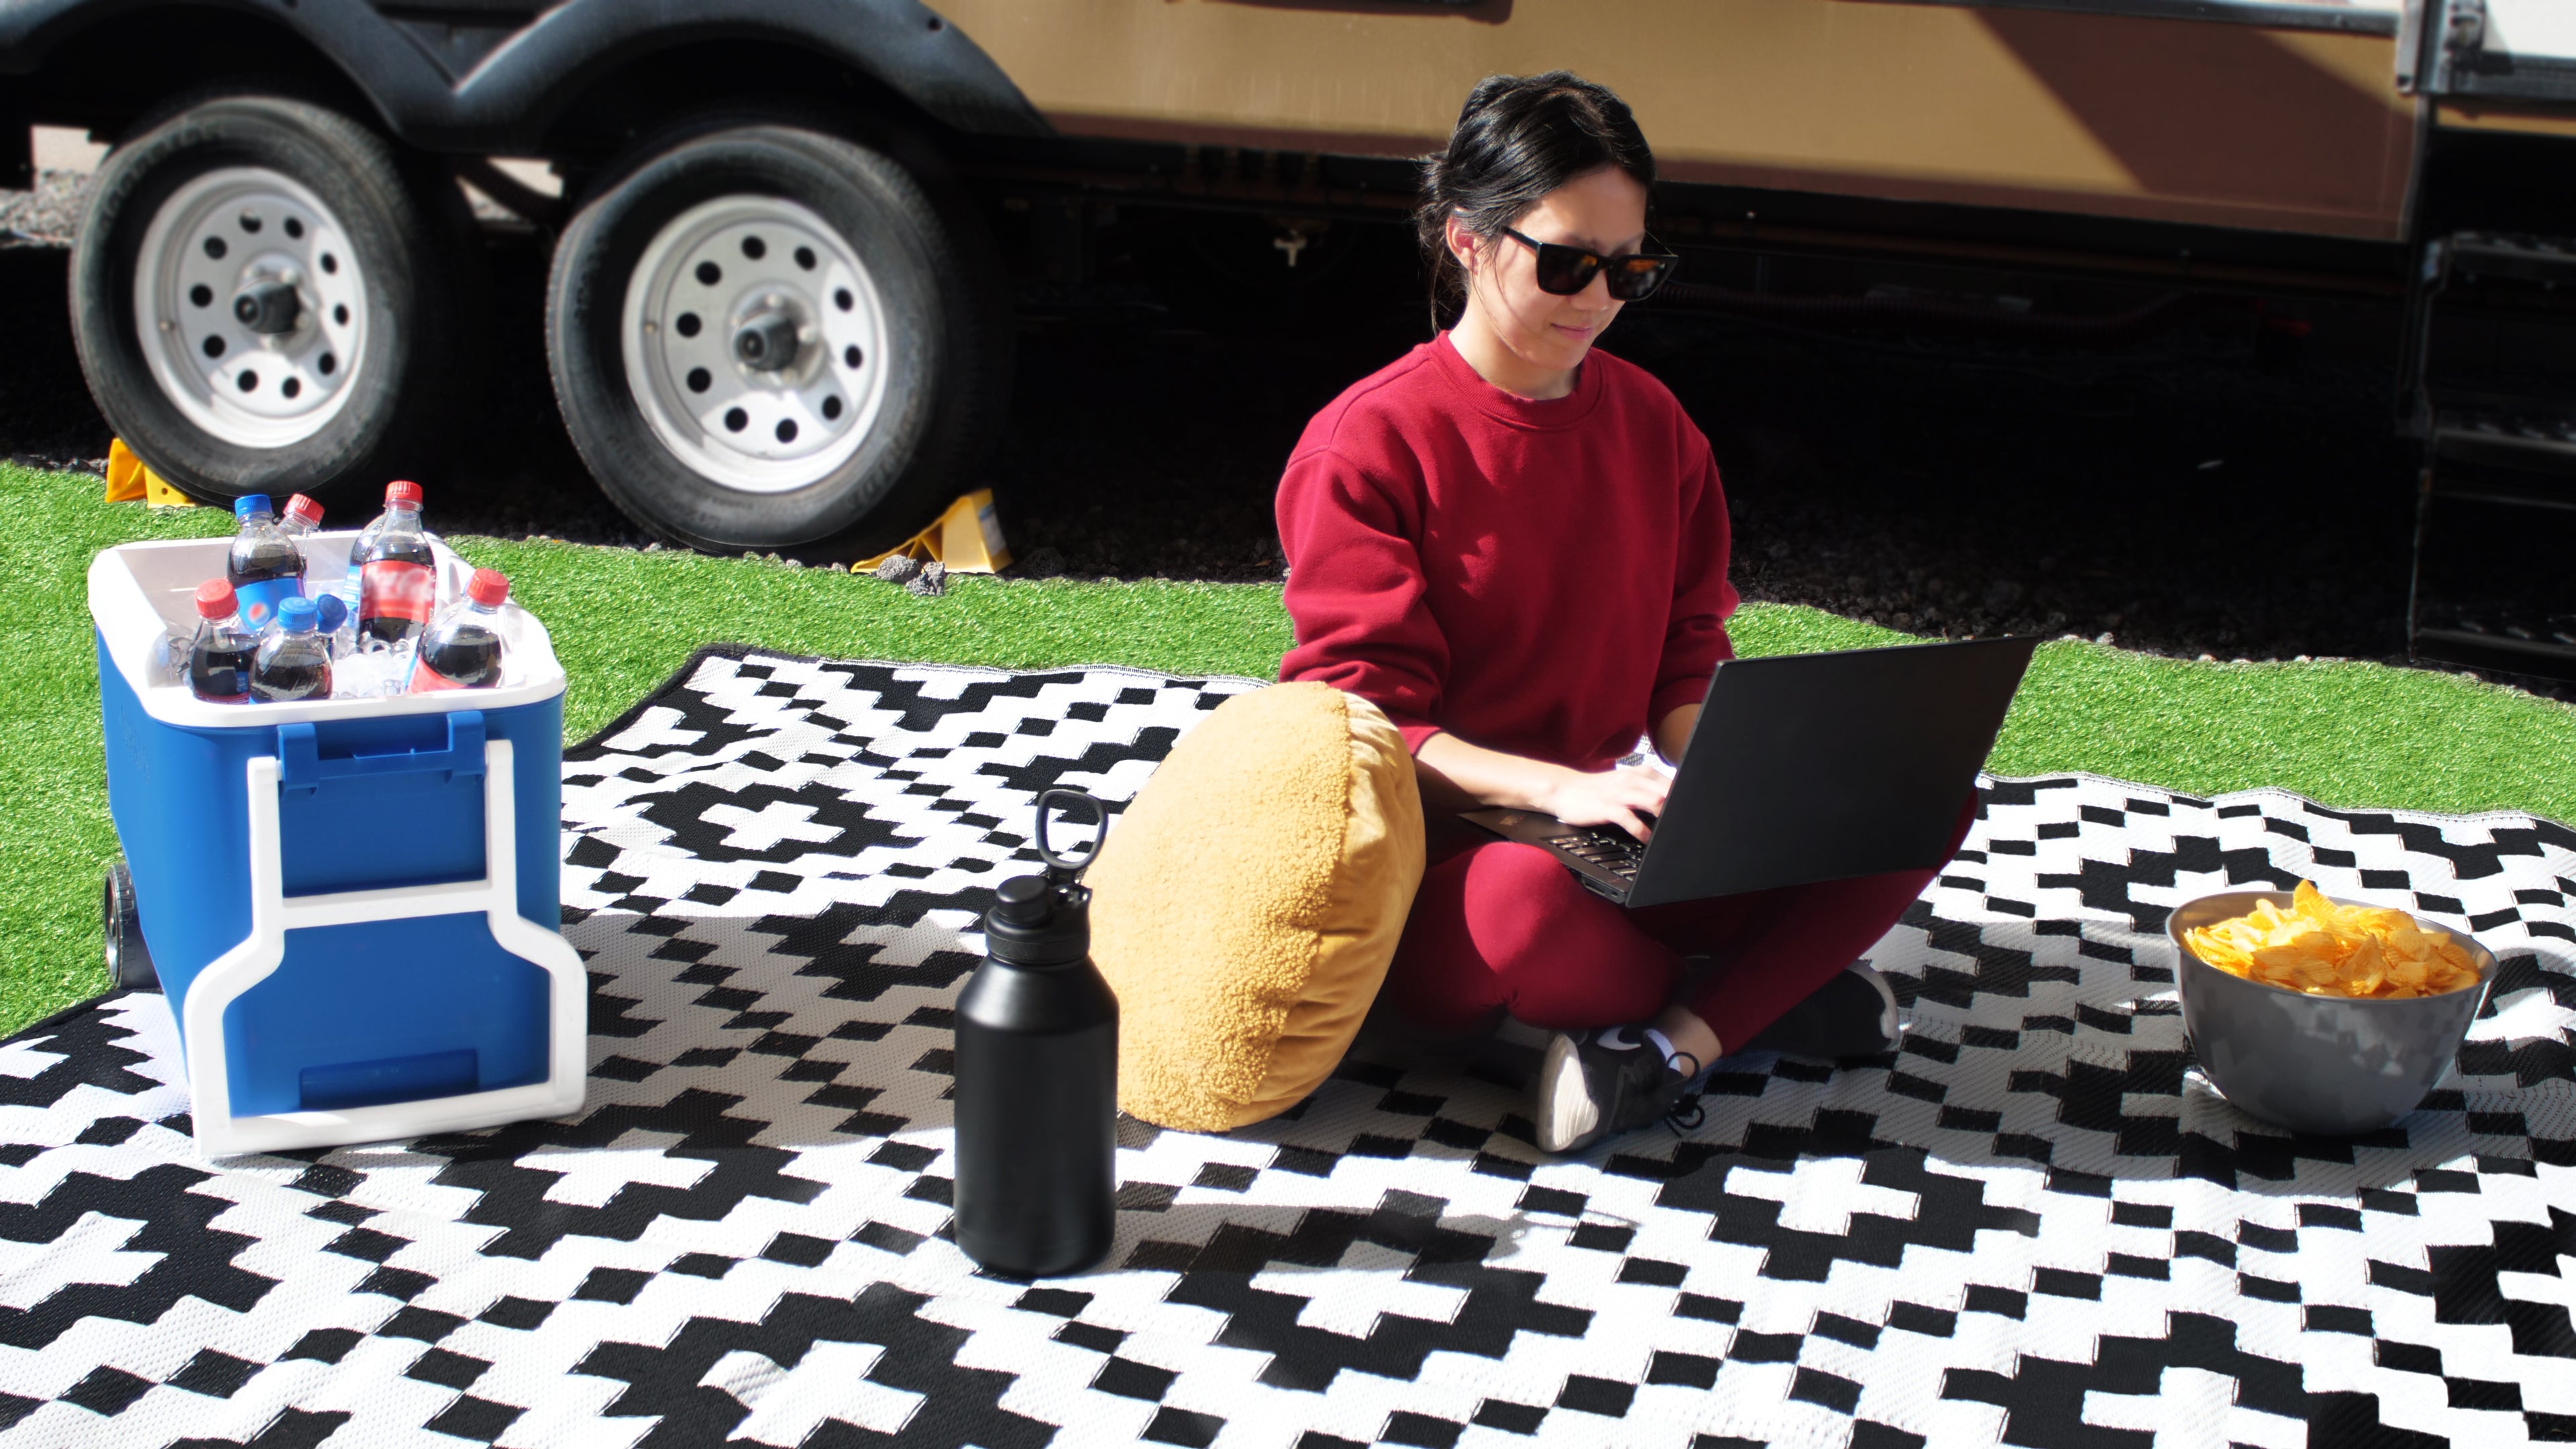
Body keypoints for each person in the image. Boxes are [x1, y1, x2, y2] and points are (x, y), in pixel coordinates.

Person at [1273, 72, 1973, 1155]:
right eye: (1567, 262)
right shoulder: (1367, 444)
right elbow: (1362, 732)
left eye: (1630, 267)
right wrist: (1566, 787)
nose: (1598, 297)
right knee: (1525, 906)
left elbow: (1689, 652)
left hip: (1623, 834)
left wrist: (1730, 781)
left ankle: (1669, 1044)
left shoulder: (1657, 427)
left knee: (1914, 800)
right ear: (1465, 237)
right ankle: (1764, 1003)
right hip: (1448, 872)